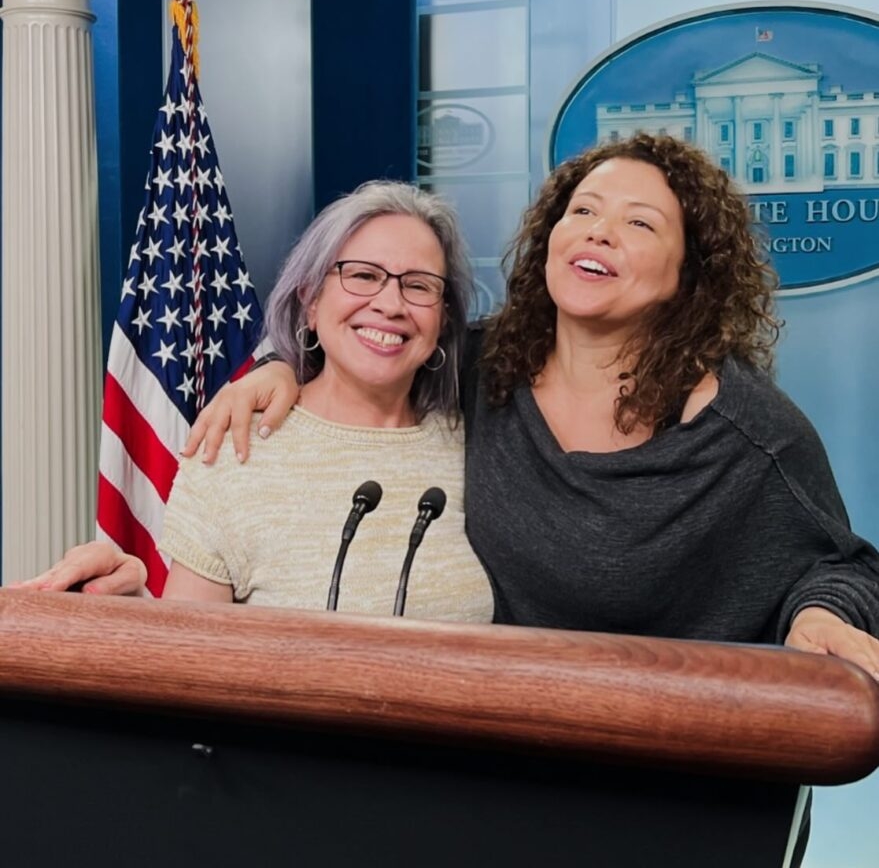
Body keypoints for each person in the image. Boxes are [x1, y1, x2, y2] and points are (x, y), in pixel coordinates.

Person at [20, 136, 879, 677]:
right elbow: (371, 335)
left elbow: (840, 565)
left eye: (639, 223)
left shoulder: (747, 432)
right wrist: (276, 367)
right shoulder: (486, 370)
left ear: (690, 275)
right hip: (487, 764)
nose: (599, 231)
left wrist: (816, 615)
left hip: (667, 775)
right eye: (581, 210)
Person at [16, 182, 494, 622]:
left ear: (443, 317)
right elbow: (192, 658)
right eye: (363, 275)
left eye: (418, 285)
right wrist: (126, 607)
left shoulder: (480, 436)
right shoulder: (234, 447)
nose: (391, 304)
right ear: (310, 300)